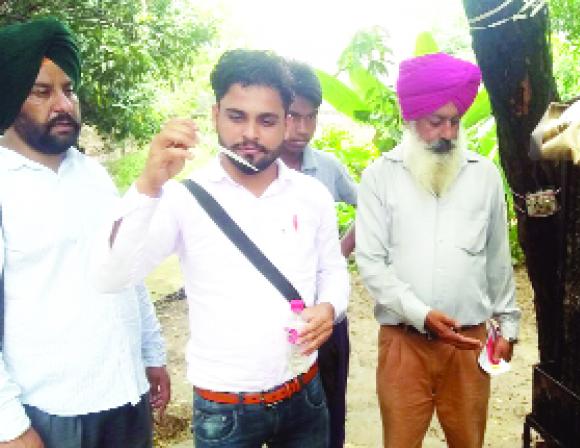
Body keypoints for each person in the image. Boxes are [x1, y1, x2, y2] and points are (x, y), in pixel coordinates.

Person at [94, 49, 349, 448]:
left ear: (286, 122)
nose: (250, 134)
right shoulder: (182, 199)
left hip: (303, 390)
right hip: (225, 406)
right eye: (236, 116)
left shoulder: (311, 194)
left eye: (266, 120)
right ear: (215, 115)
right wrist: (148, 185)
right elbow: (112, 276)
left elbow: (332, 270)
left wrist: (330, 307)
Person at [0, 18, 169, 448]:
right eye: (43, 91)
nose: (63, 104)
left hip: (125, 396)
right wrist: (11, 427)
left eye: (68, 90)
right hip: (50, 410)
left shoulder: (92, 174)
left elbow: (124, 266)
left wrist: (151, 354)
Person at [355, 52, 521, 448]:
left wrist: (508, 326)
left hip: (468, 342)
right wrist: (421, 313)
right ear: (412, 120)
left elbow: (497, 259)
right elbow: (371, 262)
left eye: (454, 121)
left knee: (469, 440)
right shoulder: (380, 177)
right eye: (435, 122)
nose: (447, 132)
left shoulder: (484, 176)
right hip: (403, 341)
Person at [279, 60, 356, 448]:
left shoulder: (326, 168)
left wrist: (341, 252)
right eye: (294, 116)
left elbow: (371, 210)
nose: (303, 129)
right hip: (276, 325)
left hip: (327, 320)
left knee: (330, 413)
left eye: (312, 117)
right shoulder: (255, 169)